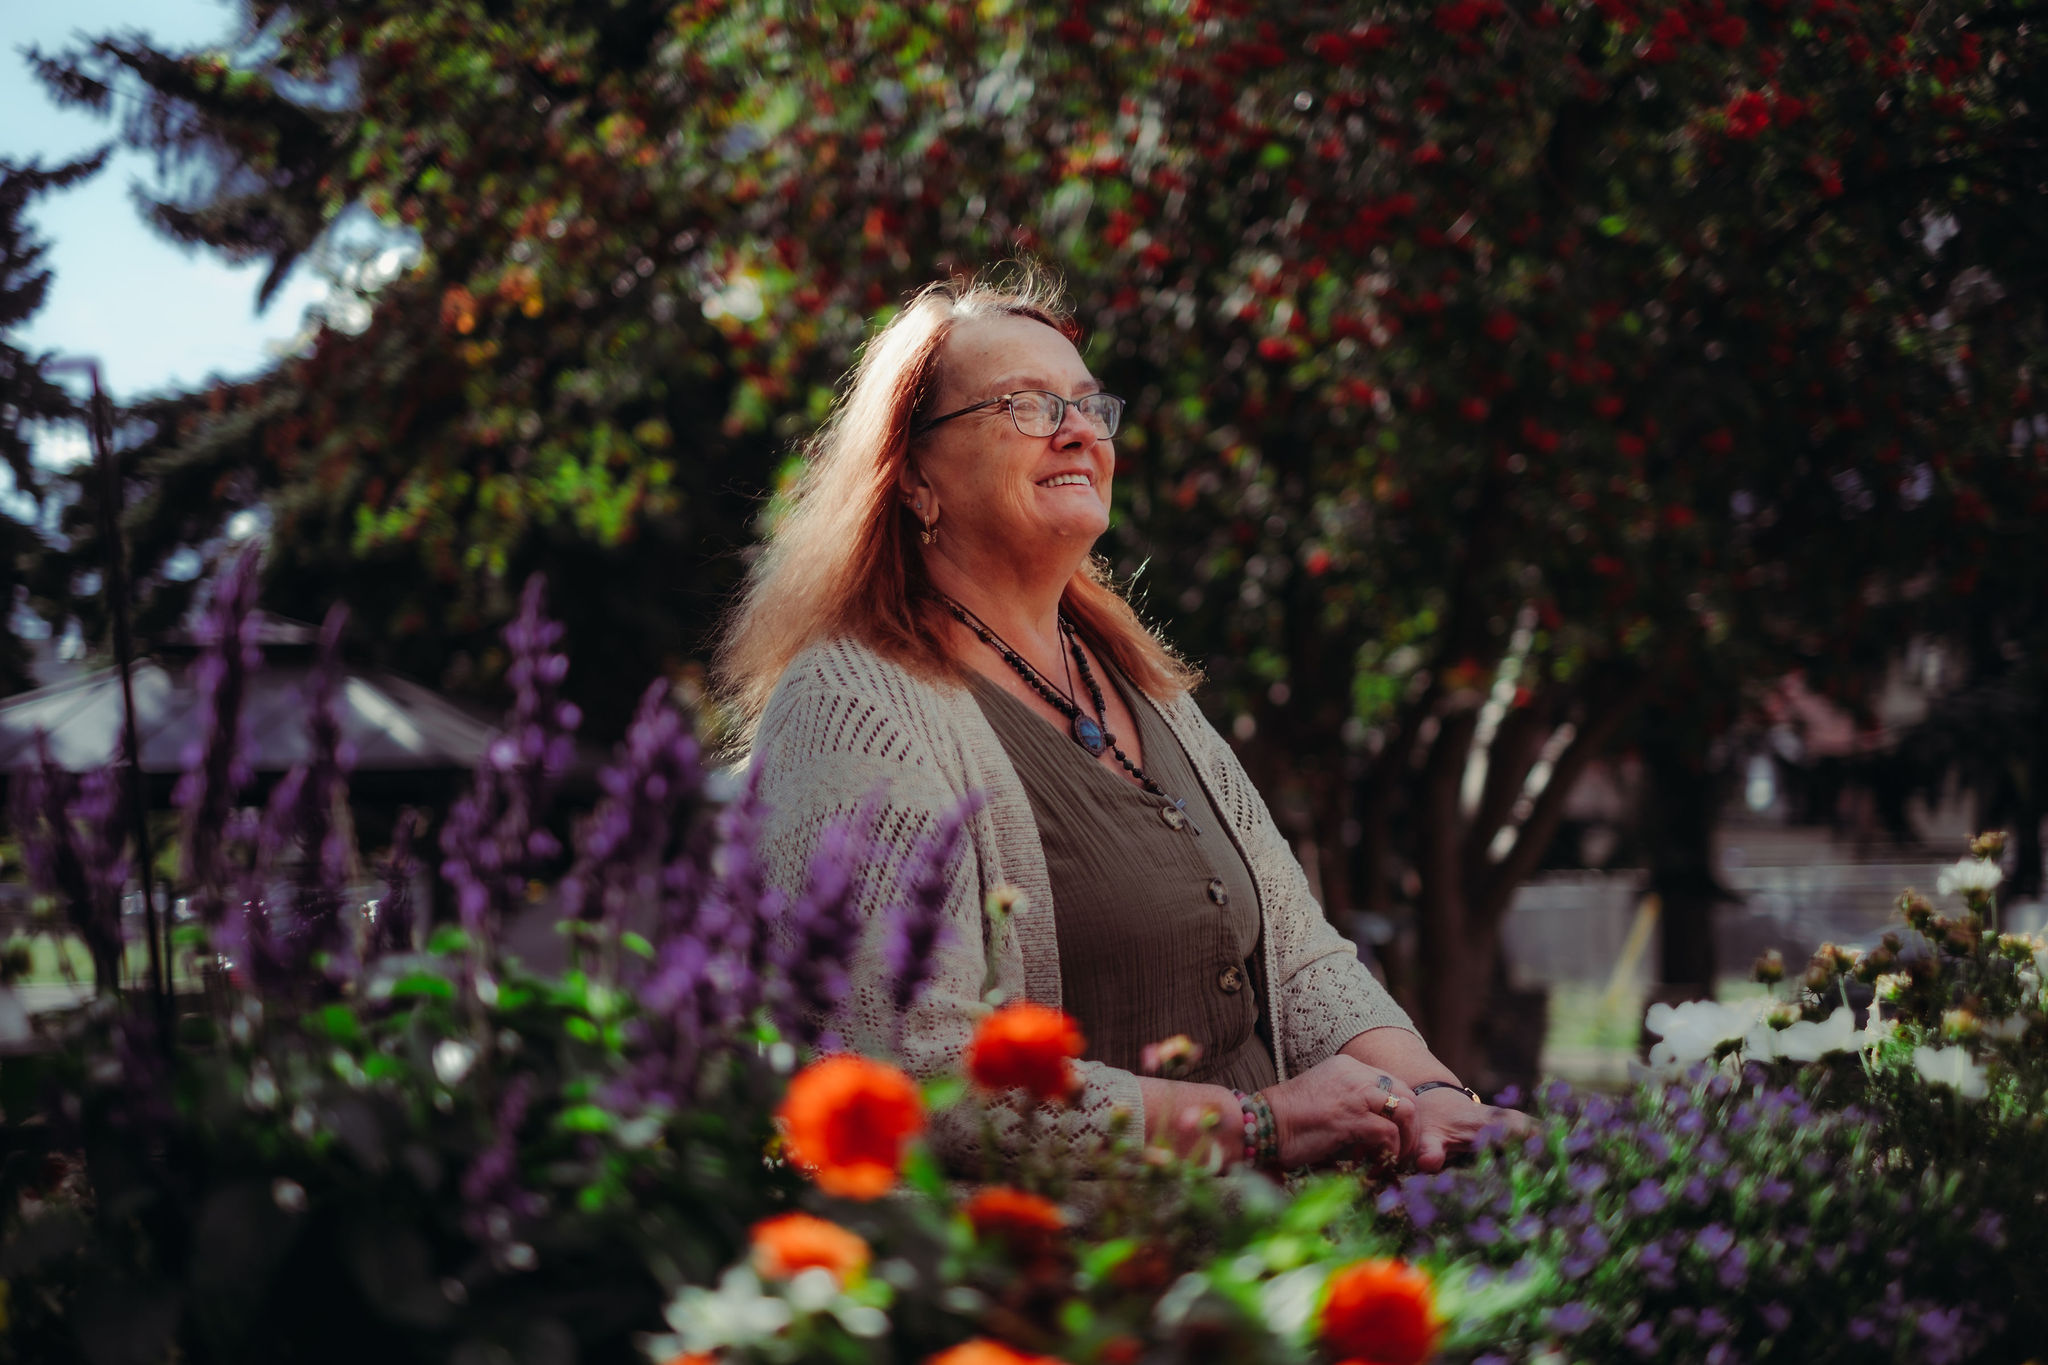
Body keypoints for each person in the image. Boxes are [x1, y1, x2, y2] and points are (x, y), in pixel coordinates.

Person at [716, 270, 1509, 1174]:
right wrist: (1252, 1127)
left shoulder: (1137, 682)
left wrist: (1443, 1102)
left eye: (1092, 405)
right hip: (1070, 1282)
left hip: (1276, 1258)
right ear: (912, 476)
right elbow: (911, 1067)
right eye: (1026, 404)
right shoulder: (850, 706)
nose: (1079, 429)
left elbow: (1298, 960)